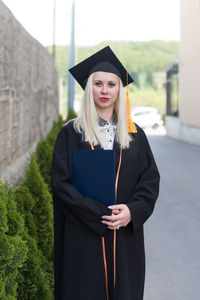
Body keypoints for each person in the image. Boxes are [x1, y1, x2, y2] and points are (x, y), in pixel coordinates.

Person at [51, 46, 160, 300]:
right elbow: (61, 183)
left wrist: (132, 211)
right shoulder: (71, 134)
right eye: (98, 83)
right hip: (83, 236)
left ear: (119, 90)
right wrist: (98, 214)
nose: (104, 90)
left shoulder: (135, 135)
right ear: (89, 88)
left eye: (111, 84)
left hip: (125, 236)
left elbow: (150, 181)